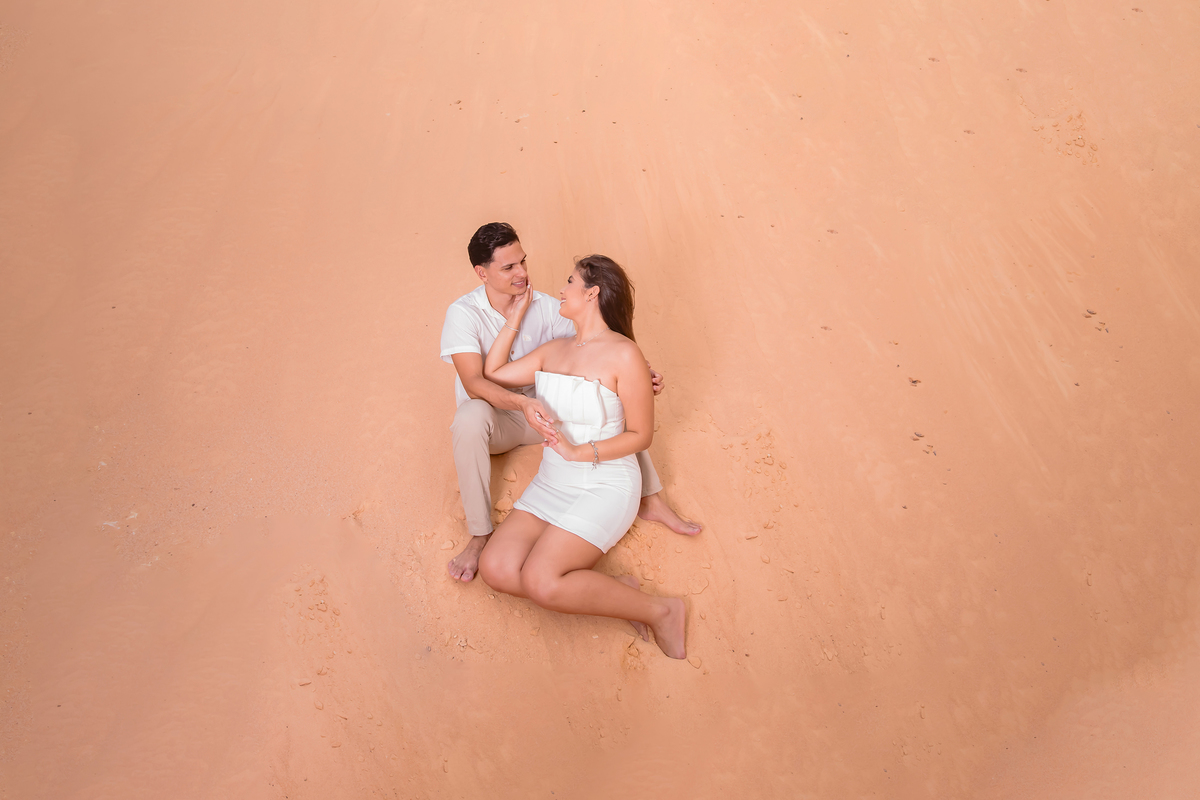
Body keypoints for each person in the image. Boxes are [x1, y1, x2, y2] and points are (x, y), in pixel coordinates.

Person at [440, 223, 701, 583]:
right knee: (470, 416)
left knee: (608, 406)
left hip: (548, 419)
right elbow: (475, 382)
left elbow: (597, 353)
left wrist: (641, 375)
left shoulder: (549, 307)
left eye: (523, 262)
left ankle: (651, 499)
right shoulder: (463, 313)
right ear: (481, 273)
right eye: (509, 268)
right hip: (500, 421)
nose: (523, 273)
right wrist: (520, 396)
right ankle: (480, 534)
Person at [476, 254, 686, 659]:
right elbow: (494, 371)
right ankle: (613, 594)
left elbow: (640, 436)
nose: (561, 288)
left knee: (541, 581)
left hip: (604, 483)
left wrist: (578, 451)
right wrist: (515, 315)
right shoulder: (552, 350)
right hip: (552, 483)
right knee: (496, 569)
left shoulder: (626, 355)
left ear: (592, 293)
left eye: (569, 281)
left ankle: (662, 610)